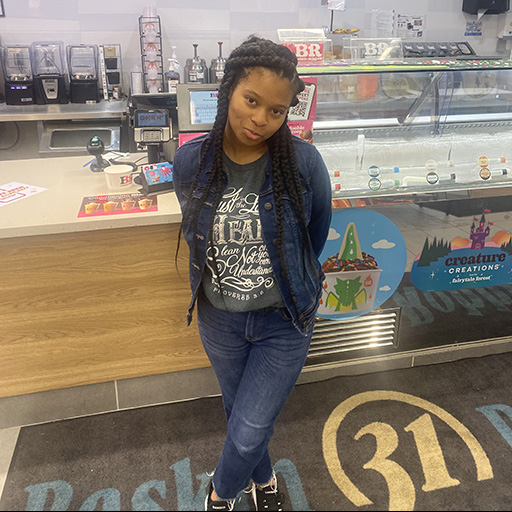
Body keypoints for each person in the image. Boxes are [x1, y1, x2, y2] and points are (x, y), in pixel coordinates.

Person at [172, 35, 332, 511]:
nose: (261, 119)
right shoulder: (191, 162)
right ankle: (263, 483)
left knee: (250, 427)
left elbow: (314, 236)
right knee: (238, 412)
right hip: (219, 319)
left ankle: (219, 496)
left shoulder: (303, 164)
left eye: (277, 111)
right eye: (251, 100)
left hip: (283, 321)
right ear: (228, 92)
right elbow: (197, 234)